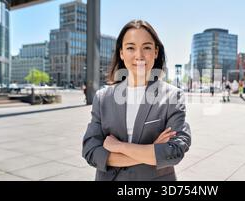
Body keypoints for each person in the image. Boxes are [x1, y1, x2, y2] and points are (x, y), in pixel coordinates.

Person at [82, 20, 191, 181]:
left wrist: (119, 147)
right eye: (131, 48)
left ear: (155, 52)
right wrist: (151, 150)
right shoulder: (102, 98)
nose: (139, 55)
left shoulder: (172, 97)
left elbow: (174, 151)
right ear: (121, 53)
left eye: (146, 47)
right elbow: (91, 151)